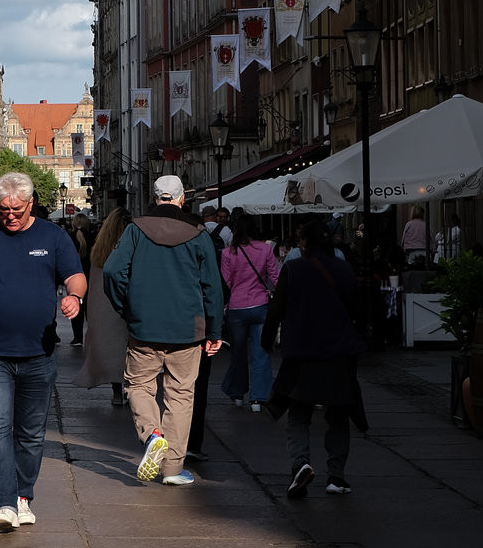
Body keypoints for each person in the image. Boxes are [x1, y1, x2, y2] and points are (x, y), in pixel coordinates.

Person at [0, 171, 84, 532]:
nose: (10, 214)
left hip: (39, 352)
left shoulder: (52, 235)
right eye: (3, 209)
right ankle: (2, 503)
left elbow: (74, 275)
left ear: (30, 203)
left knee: (30, 432)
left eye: (16, 208)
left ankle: (22, 496)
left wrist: (74, 296)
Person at [102, 175, 224, 488]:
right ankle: (172, 468)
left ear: (156, 198)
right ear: (182, 199)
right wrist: (215, 331)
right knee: (181, 396)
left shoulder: (135, 230)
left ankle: (151, 434)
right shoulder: (198, 233)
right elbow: (212, 285)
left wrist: (125, 307)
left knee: (139, 385)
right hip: (188, 328)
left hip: (144, 326)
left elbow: (113, 271)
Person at [263, 219, 367, 498]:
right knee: (338, 414)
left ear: (305, 243)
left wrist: (266, 341)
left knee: (299, 414)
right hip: (340, 351)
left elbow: (275, 310)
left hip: (302, 351)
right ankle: (337, 476)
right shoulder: (344, 268)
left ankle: (301, 463)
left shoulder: (293, 269)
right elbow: (358, 308)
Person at [220, 212, 281, 413]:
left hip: (236, 308)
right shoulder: (265, 249)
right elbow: (274, 276)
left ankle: (237, 393)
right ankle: (258, 397)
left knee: (237, 354)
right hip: (260, 305)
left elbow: (226, 283)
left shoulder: (229, 253)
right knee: (260, 352)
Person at [74, 208, 131, 408]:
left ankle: (117, 390)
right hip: (127, 303)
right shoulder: (131, 246)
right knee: (130, 347)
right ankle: (130, 388)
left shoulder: (99, 249)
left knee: (113, 347)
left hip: (103, 305)